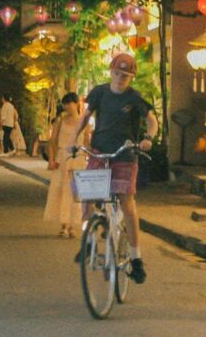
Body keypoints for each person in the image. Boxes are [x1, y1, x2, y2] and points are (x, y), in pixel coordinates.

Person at [71, 53, 158, 284]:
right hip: (99, 151)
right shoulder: (99, 92)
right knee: (87, 197)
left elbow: (152, 120)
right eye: (118, 73)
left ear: (131, 77)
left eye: (126, 75)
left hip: (125, 154)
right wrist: (73, 140)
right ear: (111, 72)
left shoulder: (134, 98)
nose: (121, 78)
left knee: (127, 203)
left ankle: (136, 258)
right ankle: (88, 242)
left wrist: (149, 137)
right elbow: (84, 118)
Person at [45, 93, 88, 237]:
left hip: (78, 159)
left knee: (75, 193)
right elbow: (53, 141)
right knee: (62, 191)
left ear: (77, 104)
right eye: (65, 104)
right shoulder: (60, 121)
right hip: (62, 158)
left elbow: (88, 143)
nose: (67, 107)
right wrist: (51, 159)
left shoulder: (84, 122)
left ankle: (72, 226)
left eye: (70, 103)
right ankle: (63, 225)